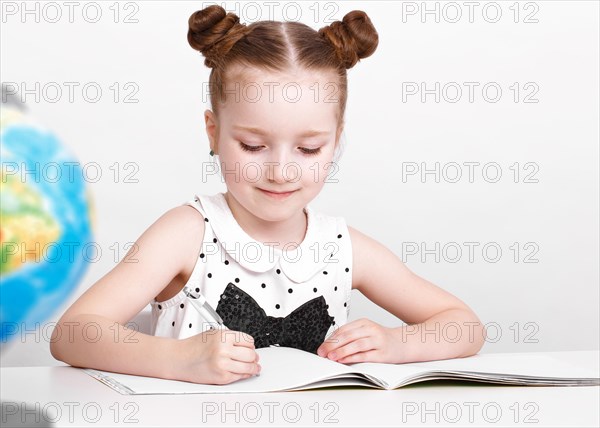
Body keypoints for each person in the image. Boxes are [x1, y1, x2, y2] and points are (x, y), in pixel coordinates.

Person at [50, 5, 485, 386]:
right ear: (214, 132)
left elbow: (464, 326)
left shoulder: (342, 248)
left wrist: (395, 342)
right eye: (254, 146)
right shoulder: (186, 233)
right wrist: (178, 358)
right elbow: (73, 333)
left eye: (309, 148)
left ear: (336, 139)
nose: (281, 170)